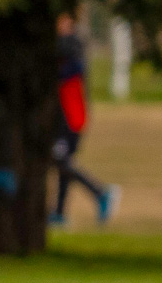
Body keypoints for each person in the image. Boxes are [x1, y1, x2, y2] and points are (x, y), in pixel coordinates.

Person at [50, 12, 120, 226]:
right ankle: (60, 214)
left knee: (59, 158)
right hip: (65, 114)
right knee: (64, 160)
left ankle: (100, 192)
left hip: (72, 115)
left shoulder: (71, 44)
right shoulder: (68, 45)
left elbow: (71, 70)